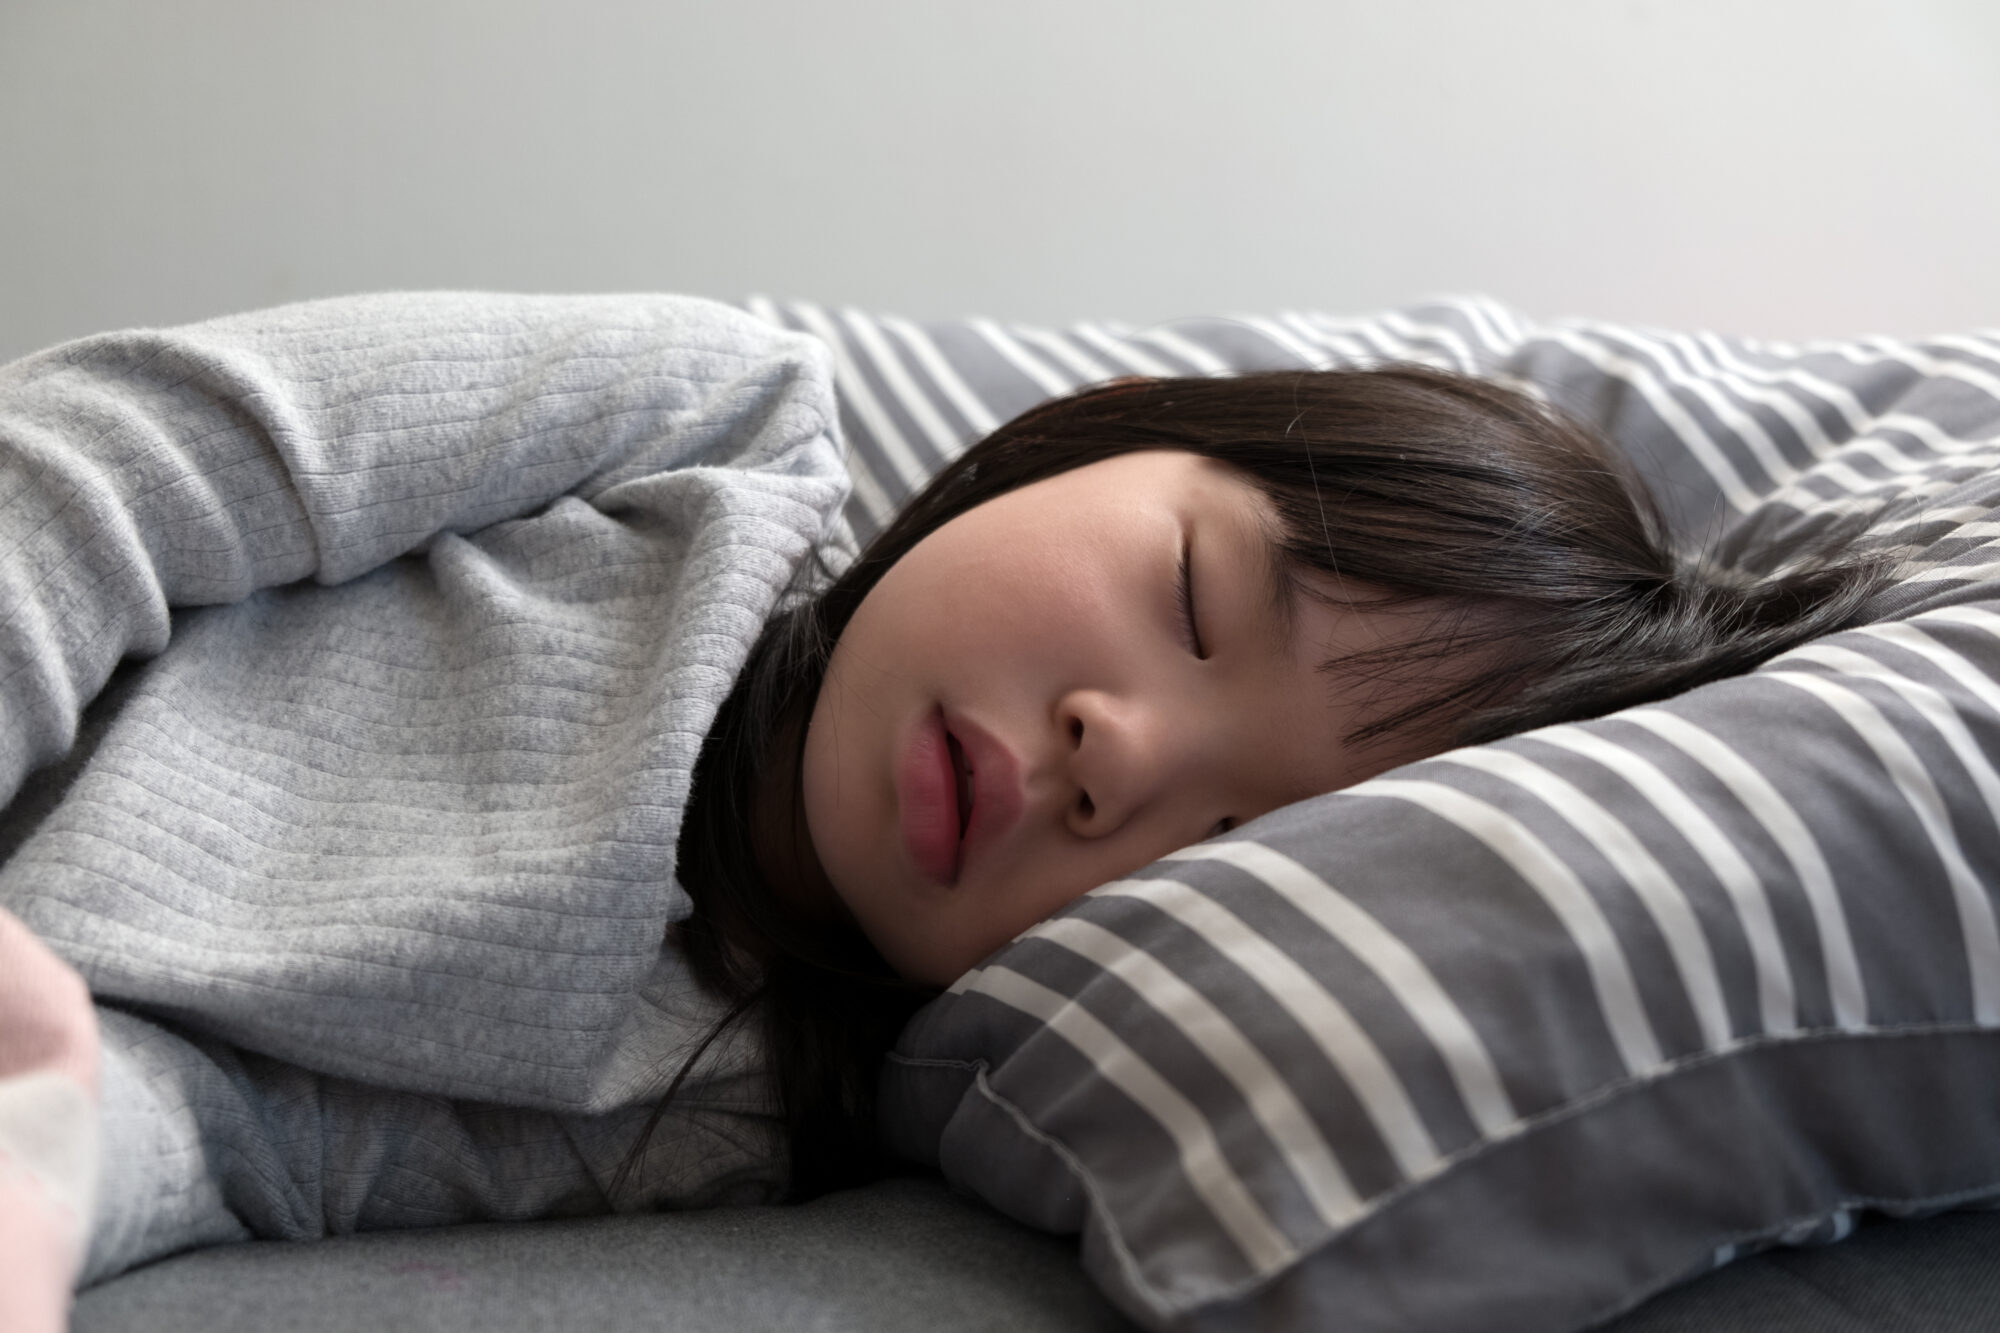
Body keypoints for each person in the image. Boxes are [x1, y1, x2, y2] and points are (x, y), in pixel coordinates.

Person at [0, 294, 1882, 1297]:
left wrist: (56, 1158)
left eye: (1233, 849)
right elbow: (126, 467)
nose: (1119, 754)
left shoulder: (730, 1099)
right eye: (1196, 601)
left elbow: (267, 1147)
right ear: (1116, 437)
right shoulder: (712, 421)